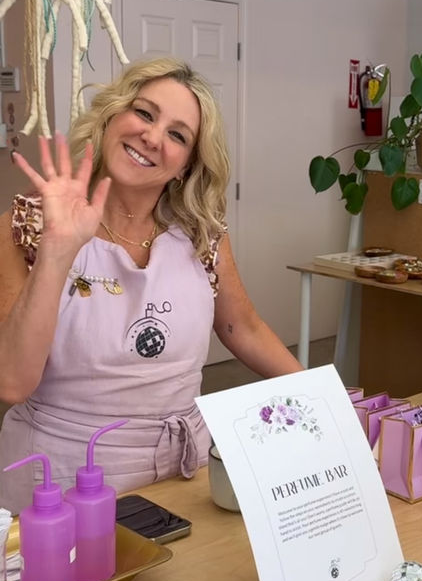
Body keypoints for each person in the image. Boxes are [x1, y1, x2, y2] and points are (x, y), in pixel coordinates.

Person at [0, 57, 302, 513]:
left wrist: (324, 398)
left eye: (178, 135)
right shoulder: (25, 225)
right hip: (60, 482)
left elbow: (244, 327)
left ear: (185, 165)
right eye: (144, 113)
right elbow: (12, 381)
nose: (153, 137)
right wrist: (58, 253)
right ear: (112, 116)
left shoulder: (202, 233)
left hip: (181, 476)